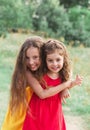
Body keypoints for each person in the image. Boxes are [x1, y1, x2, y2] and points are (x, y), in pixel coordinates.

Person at [1, 36, 70, 130]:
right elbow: (42, 94)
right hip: (23, 112)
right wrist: (66, 85)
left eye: (35, 57)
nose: (31, 62)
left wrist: (65, 87)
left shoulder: (46, 69)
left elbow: (64, 70)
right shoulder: (27, 72)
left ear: (43, 56)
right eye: (27, 58)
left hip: (40, 113)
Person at [22, 39, 83, 130]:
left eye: (58, 60)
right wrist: (66, 85)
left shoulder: (62, 75)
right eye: (50, 60)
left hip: (54, 112)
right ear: (45, 60)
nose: (55, 64)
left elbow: (67, 82)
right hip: (38, 111)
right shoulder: (41, 74)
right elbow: (44, 93)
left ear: (64, 59)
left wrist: (72, 84)